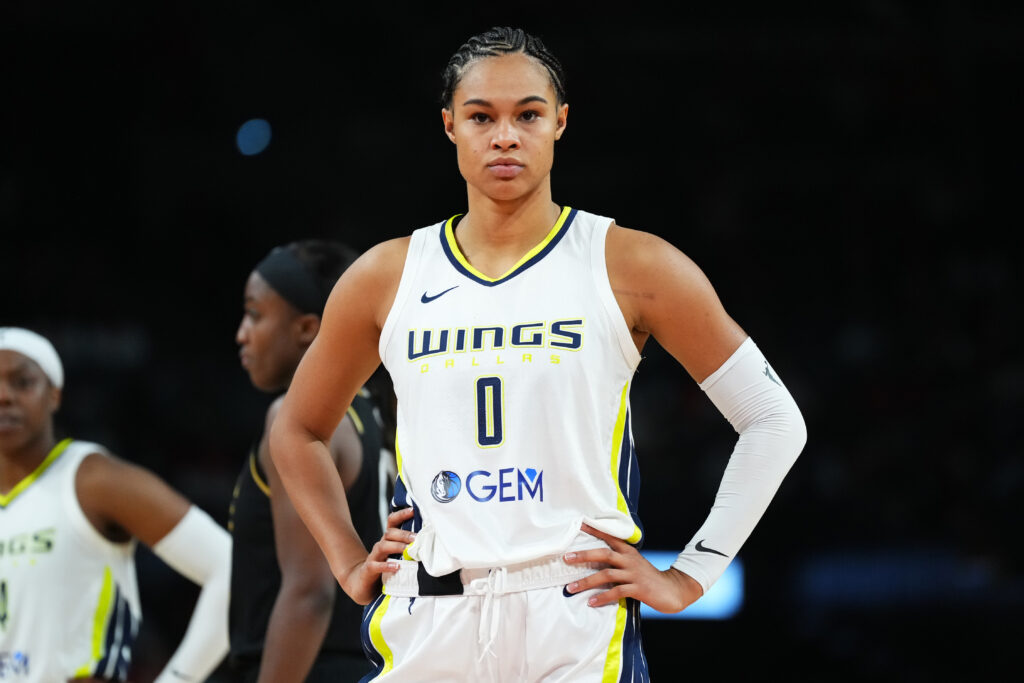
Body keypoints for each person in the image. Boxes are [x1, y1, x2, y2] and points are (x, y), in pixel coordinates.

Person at [269, 26, 808, 682]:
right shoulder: (387, 275)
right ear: (449, 126)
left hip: (574, 610)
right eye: (481, 116)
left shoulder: (632, 263)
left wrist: (692, 573)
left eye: (527, 114)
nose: (504, 136)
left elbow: (773, 419)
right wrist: (348, 561)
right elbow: (296, 430)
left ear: (560, 122)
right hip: (428, 610)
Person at [0, 326, 230, 683]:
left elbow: (228, 565)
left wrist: (179, 679)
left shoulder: (93, 480)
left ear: (54, 395)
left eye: (23, 382)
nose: (4, 396)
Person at [228, 240, 400, 682]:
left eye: (255, 314)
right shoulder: (378, 416)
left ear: (307, 328)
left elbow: (310, 593)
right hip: (375, 661)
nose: (242, 333)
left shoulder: (297, 425)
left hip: (309, 668)